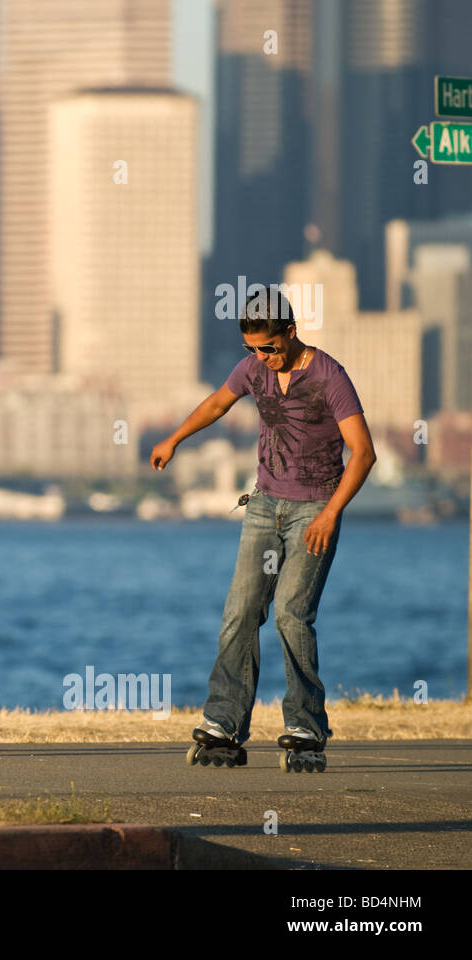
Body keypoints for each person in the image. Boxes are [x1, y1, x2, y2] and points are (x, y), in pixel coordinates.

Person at [149, 288, 376, 768]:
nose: (261, 358)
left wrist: (331, 513)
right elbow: (217, 404)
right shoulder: (254, 368)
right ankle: (224, 724)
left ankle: (306, 726)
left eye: (268, 348)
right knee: (240, 612)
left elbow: (364, 451)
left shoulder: (329, 376)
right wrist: (174, 439)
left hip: (315, 509)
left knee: (293, 615)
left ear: (290, 332)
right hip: (264, 505)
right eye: (252, 349)